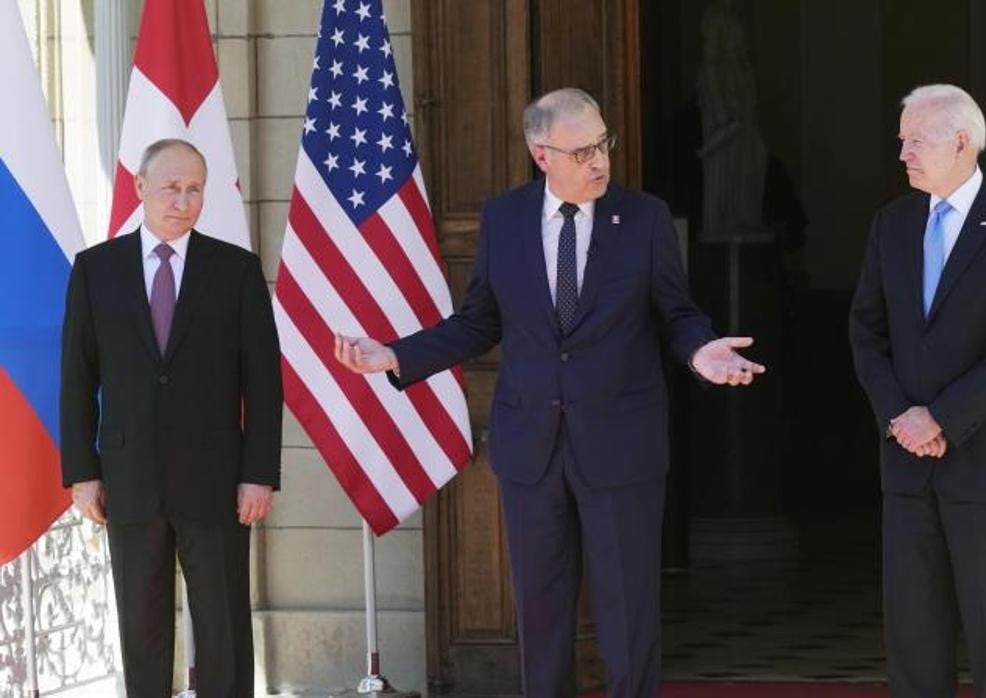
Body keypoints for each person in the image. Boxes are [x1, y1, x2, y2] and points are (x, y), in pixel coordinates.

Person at [334, 87, 764, 698]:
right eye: (583, 150)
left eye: (603, 144)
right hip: (532, 444)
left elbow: (676, 313)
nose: (600, 161)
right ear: (543, 155)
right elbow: (479, 321)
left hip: (621, 446)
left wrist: (701, 351)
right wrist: (397, 354)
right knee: (541, 615)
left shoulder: (643, 219)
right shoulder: (504, 219)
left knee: (628, 615)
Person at [848, 84, 986, 697]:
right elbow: (865, 331)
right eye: (902, 141)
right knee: (913, 638)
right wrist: (898, 417)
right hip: (907, 467)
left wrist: (939, 417)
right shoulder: (891, 224)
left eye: (916, 140)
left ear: (961, 141)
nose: (904, 154)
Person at [60, 138, 282, 698]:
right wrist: (82, 473)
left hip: (217, 482)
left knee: (224, 627)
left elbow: (263, 380)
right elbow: (77, 379)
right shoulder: (95, 271)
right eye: (171, 188)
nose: (183, 201)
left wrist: (259, 473)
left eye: (194, 190)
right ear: (139, 188)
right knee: (141, 628)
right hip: (129, 480)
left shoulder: (235, 270)